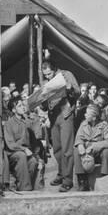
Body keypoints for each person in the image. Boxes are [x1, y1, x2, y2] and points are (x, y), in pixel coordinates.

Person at [41, 59, 80, 192]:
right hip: (53, 117)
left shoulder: (66, 75)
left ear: (54, 68)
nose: (47, 76)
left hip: (65, 115)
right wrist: (41, 100)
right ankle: (62, 173)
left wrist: (70, 89)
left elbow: (78, 92)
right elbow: (44, 107)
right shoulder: (46, 82)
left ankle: (68, 180)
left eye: (49, 73)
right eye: (45, 75)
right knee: (57, 148)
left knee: (67, 149)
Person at [74, 103, 108, 191]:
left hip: (98, 153)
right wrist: (80, 145)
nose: (85, 115)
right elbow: (78, 137)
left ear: (94, 117)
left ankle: (105, 179)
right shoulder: (83, 124)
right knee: (75, 150)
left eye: (87, 114)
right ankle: (82, 181)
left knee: (107, 152)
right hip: (86, 152)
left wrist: (94, 146)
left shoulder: (104, 125)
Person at [3, 97, 38, 191]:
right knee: (21, 155)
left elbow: (35, 134)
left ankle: (23, 186)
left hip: (24, 152)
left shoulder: (26, 121)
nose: (23, 107)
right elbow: (10, 144)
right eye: (19, 106)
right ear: (14, 110)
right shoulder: (8, 124)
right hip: (12, 153)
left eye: (23, 105)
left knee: (33, 162)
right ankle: (25, 188)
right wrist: (23, 149)